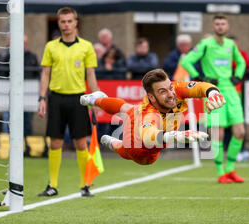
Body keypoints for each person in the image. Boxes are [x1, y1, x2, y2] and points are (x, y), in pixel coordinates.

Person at [80, 69, 225, 165]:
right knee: (134, 153)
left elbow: (200, 87)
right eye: (163, 91)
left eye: (170, 87)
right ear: (151, 97)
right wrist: (175, 135)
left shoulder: (176, 89)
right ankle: (113, 143)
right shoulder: (148, 114)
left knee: (129, 108)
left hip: (153, 127)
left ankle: (96, 99)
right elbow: (149, 136)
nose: (170, 94)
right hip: (140, 145)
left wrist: (213, 93)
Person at [37, 7, 99, 197]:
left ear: (75, 23)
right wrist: (42, 98)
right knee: (55, 142)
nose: (66, 25)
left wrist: (96, 99)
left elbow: (90, 74)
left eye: (69, 21)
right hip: (56, 98)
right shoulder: (51, 46)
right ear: (59, 23)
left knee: (80, 142)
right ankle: (52, 185)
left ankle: (85, 185)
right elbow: (45, 73)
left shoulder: (86, 47)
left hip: (78, 99)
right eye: (63, 21)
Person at [181, 13, 247, 184]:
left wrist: (238, 76)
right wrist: (200, 77)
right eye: (217, 23)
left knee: (240, 132)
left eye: (223, 23)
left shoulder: (231, 44)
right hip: (213, 92)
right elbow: (187, 61)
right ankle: (220, 172)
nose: (220, 26)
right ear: (213, 26)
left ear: (227, 27)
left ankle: (230, 168)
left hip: (231, 91)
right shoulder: (205, 44)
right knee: (218, 133)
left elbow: (242, 62)